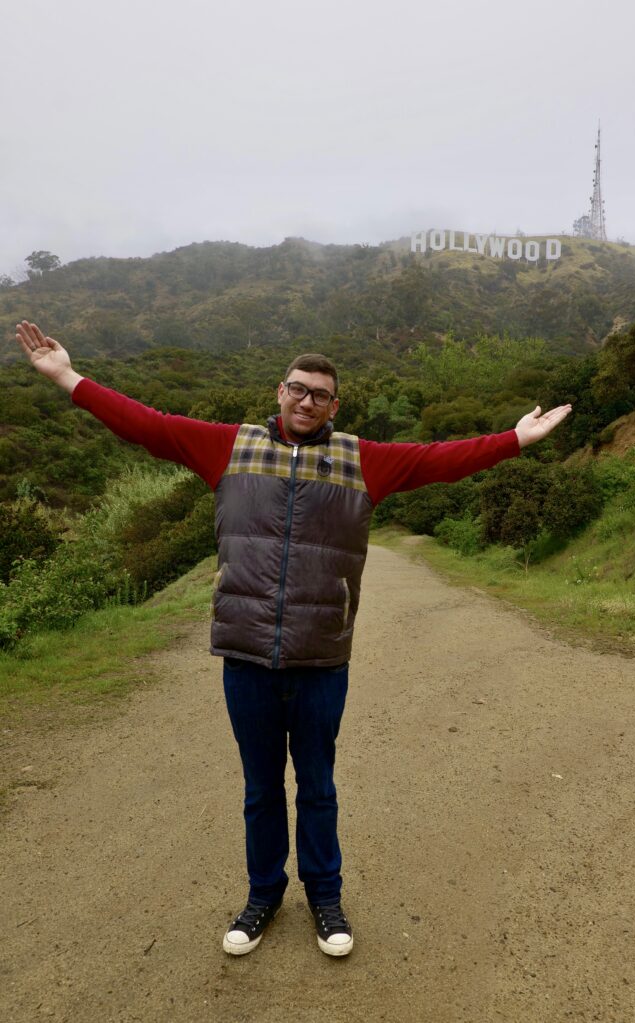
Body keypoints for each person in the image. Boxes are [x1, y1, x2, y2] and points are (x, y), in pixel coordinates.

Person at [14, 319, 572, 958]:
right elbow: (146, 423)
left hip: (321, 657)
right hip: (247, 655)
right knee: (259, 788)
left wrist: (514, 441)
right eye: (298, 390)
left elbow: (441, 459)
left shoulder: (364, 460)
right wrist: (66, 377)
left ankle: (326, 898)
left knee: (318, 785)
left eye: (321, 395)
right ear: (279, 392)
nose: (307, 402)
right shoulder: (228, 447)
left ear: (336, 407)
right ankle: (262, 897)